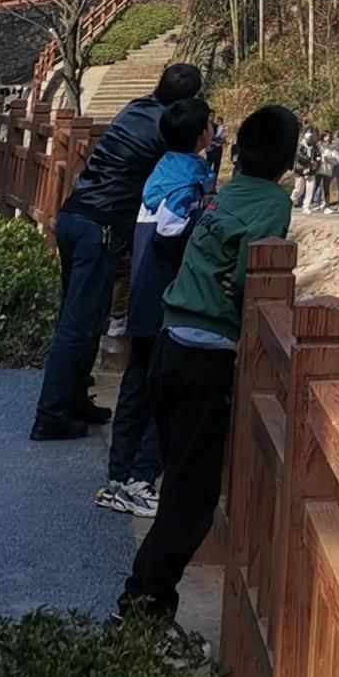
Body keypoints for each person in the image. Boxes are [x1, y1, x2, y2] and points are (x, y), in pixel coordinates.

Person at [119, 103, 300, 626]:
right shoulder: (273, 201)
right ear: (287, 160)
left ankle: (144, 599)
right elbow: (253, 270)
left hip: (170, 340)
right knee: (194, 499)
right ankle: (144, 609)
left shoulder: (229, 188)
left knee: (179, 483)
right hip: (205, 354)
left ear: (240, 150)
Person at [32, 59, 203, 441]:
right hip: (101, 227)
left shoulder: (133, 108)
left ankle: (75, 398)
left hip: (75, 216)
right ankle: (50, 414)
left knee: (85, 316)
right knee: (79, 323)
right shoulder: (167, 131)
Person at [97, 94, 212, 515]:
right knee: (165, 394)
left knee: (134, 386)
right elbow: (170, 230)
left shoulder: (163, 167)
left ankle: (117, 477)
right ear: (203, 133)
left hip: (142, 294)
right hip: (165, 296)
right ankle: (142, 479)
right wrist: (203, 224)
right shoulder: (188, 178)